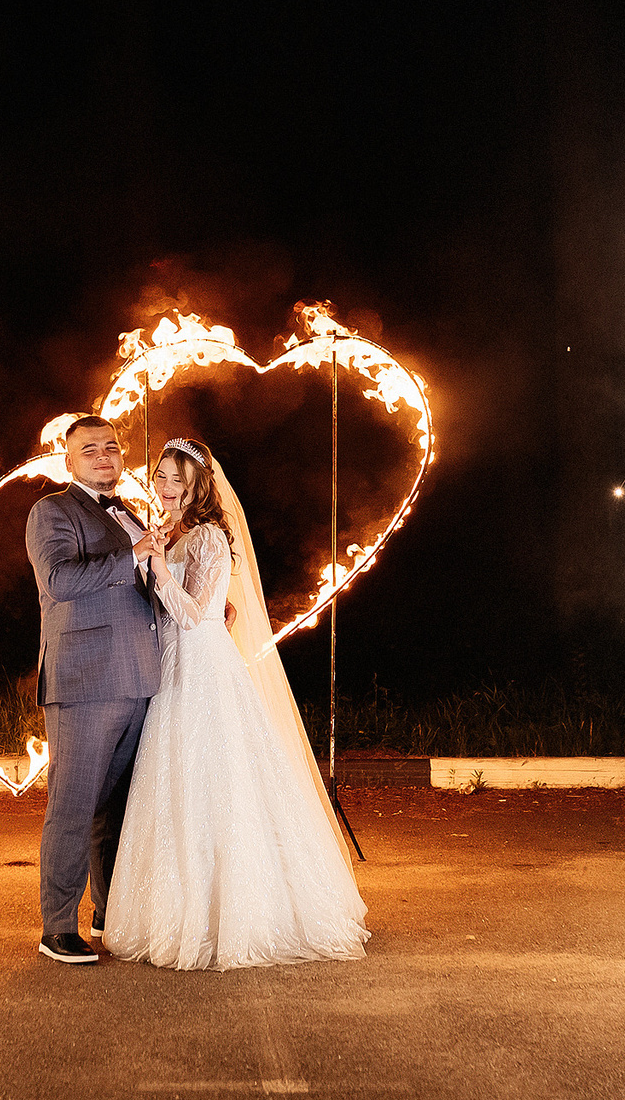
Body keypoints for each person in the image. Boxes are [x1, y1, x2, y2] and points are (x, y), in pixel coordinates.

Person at [102, 437, 369, 970]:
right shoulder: (171, 533)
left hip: (203, 671)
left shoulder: (209, 537)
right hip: (171, 671)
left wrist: (154, 564)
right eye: (161, 477)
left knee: (218, 783)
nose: (166, 487)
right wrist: (156, 557)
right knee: (175, 783)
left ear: (200, 486)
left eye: (179, 480)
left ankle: (237, 916)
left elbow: (195, 615)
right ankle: (176, 912)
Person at [22, 415, 160, 964]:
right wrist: (132, 555)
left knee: (119, 808)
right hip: (83, 679)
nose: (104, 457)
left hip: (140, 677)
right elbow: (59, 582)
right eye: (90, 450)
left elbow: (145, 591)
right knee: (74, 807)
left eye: (111, 448)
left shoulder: (130, 512)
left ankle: (107, 910)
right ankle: (57, 925)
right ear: (69, 460)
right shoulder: (51, 511)